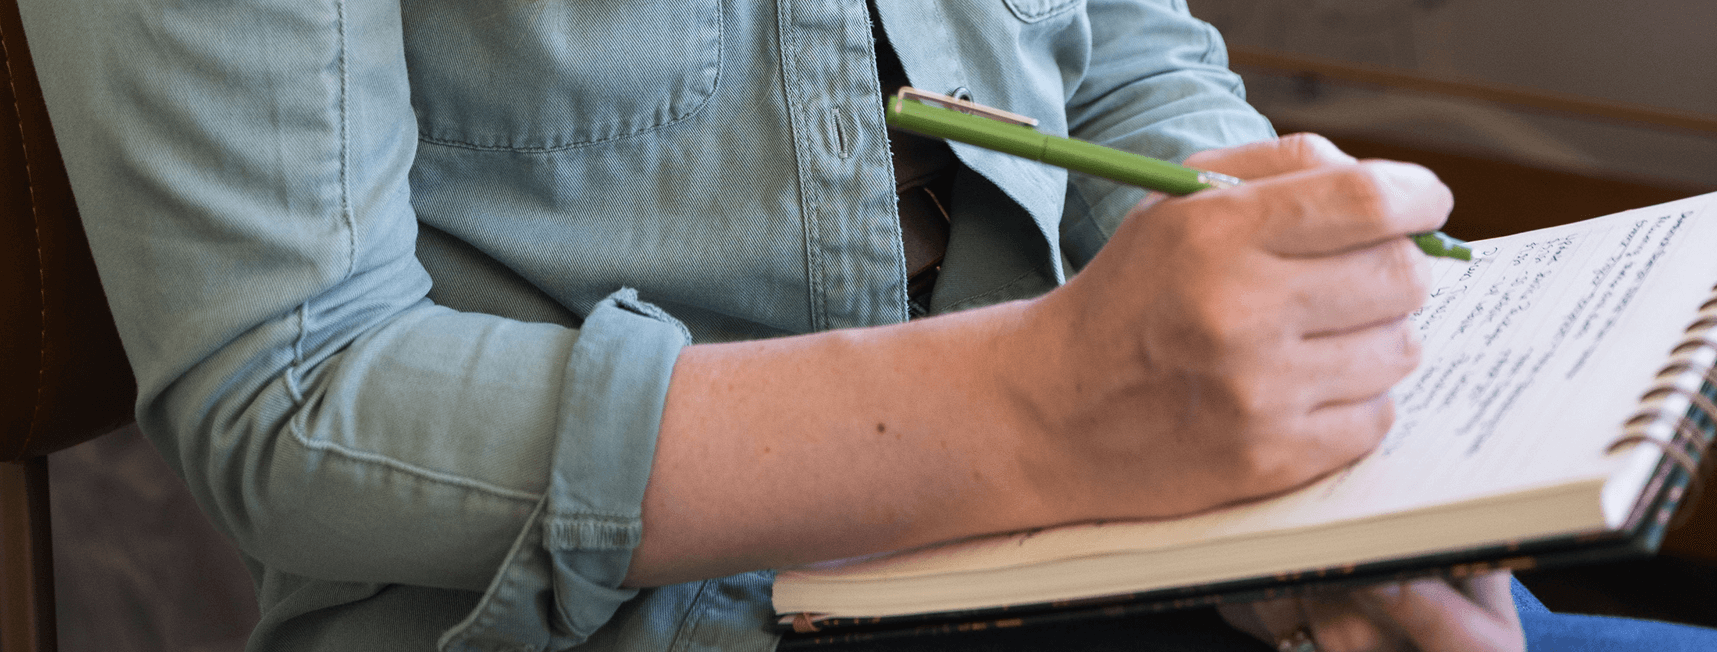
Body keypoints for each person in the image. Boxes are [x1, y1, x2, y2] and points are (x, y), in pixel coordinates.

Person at [20, 0, 1716, 650]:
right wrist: (1053, 408)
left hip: (1118, 558)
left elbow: (1122, 49)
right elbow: (296, 393)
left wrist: (1274, 399)